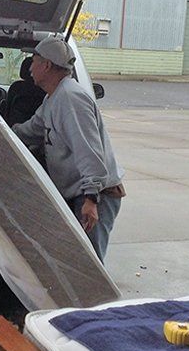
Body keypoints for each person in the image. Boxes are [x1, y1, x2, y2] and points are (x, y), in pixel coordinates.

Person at [12, 35, 125, 261]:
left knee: (87, 266)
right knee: (75, 262)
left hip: (95, 198)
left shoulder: (71, 98)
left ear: (47, 65)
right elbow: (30, 130)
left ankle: (95, 299)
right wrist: (0, 131)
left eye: (34, 61)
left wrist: (91, 199)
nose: (29, 68)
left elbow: (89, 151)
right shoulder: (53, 98)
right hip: (81, 196)